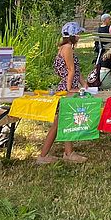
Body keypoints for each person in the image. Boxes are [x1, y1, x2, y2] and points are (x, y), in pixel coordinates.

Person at [36, 22, 86, 165]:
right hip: (66, 88)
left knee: (64, 120)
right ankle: (44, 156)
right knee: (59, 122)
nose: (80, 37)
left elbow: (76, 70)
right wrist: (70, 89)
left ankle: (68, 153)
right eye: (78, 34)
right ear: (73, 35)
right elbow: (70, 70)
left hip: (67, 86)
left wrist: (85, 85)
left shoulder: (65, 47)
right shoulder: (68, 47)